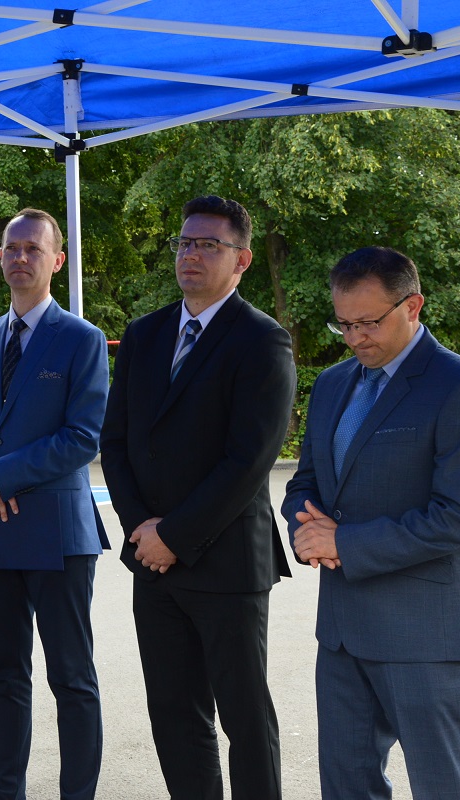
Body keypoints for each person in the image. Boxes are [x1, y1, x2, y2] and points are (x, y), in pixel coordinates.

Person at [282, 246, 460, 799]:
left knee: (441, 787)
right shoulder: (335, 384)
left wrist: (346, 543)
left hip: (425, 635)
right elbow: (305, 481)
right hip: (341, 632)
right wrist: (304, 526)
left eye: (368, 322)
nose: (356, 337)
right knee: (346, 786)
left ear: (413, 306)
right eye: (343, 324)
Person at [100, 195, 296, 800]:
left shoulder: (263, 341)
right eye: (184, 242)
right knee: (174, 715)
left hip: (226, 563)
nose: (191, 254)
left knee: (245, 718)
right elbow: (117, 441)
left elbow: (249, 461)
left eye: (208, 244)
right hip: (152, 563)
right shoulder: (145, 333)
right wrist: (143, 532)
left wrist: (174, 536)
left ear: (240, 261)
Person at [0, 208, 110, 800]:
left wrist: (1, 476)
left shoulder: (82, 339)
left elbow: (83, 437)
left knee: (72, 678)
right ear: (0, 256)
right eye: (11, 248)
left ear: (56, 261)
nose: (20, 258)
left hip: (58, 536)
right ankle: (5, 789)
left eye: (33, 250)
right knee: (5, 676)